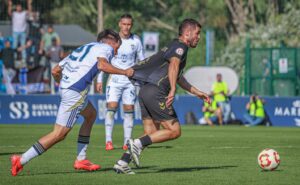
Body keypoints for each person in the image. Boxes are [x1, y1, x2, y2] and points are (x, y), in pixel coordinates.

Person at [10, 29, 134, 176]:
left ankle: (81, 159)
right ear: (110, 41)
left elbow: (56, 71)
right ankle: (21, 160)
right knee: (59, 134)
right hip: (76, 93)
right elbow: (102, 66)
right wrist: (125, 72)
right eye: (117, 47)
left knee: (91, 115)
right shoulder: (105, 48)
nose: (116, 52)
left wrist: (62, 84)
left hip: (67, 88)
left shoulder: (85, 47)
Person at [113, 18, 211, 174]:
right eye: (197, 33)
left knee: (150, 134)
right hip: (156, 92)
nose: (199, 37)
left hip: (145, 91)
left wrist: (196, 92)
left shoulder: (173, 44)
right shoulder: (181, 47)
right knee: (174, 131)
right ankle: (136, 144)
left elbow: (177, 75)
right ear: (187, 33)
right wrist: (172, 90)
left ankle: (122, 162)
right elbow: (173, 66)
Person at [96, 14, 145, 151]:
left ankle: (127, 141)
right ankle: (108, 141)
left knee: (129, 109)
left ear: (132, 25)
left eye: (129, 24)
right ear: (119, 24)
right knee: (111, 108)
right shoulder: (112, 40)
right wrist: (99, 79)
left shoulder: (136, 40)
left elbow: (141, 61)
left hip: (129, 81)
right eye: (124, 24)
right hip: (114, 80)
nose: (126, 27)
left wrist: (142, 79)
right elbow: (103, 60)